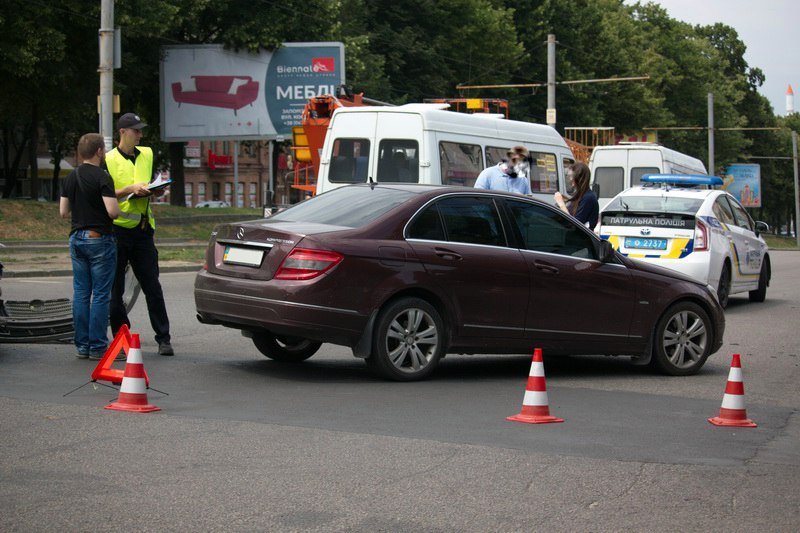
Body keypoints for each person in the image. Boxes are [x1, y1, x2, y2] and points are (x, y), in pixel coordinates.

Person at [105, 112, 174, 356]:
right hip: (118, 232)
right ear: (122, 132)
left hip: (143, 230)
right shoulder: (109, 159)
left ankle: (163, 338)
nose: (140, 134)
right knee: (116, 289)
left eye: (140, 130)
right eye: (136, 130)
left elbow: (151, 183)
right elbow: (107, 193)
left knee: (152, 285)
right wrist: (129, 189)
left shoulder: (147, 153)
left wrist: (156, 191)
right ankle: (121, 340)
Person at [59, 133, 121, 359]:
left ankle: (82, 346)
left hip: (76, 239)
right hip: (99, 239)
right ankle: (97, 347)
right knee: (101, 295)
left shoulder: (70, 177)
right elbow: (112, 212)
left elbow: (63, 212)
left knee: (81, 293)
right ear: (99, 152)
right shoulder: (103, 177)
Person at [554, 162, 599, 229]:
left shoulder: (588, 198)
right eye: (568, 176)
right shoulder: (580, 196)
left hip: (581, 239)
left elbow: (575, 225)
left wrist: (561, 204)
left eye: (571, 176)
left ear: (579, 178)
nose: (570, 179)